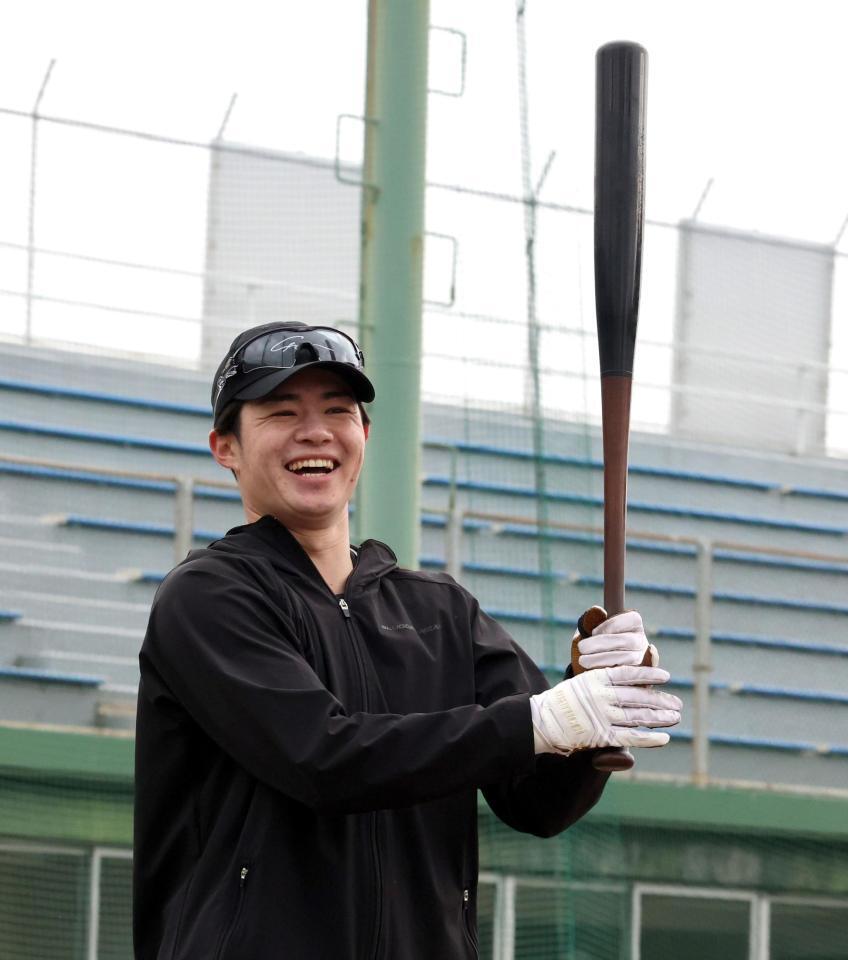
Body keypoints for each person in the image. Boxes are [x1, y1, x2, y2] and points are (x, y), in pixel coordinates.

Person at [133, 321, 681, 960]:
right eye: (283, 412)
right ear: (225, 447)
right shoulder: (208, 597)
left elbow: (538, 802)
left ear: (364, 435)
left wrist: (592, 712)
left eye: (338, 411)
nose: (316, 432)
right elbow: (322, 761)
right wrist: (544, 718)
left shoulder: (441, 610)